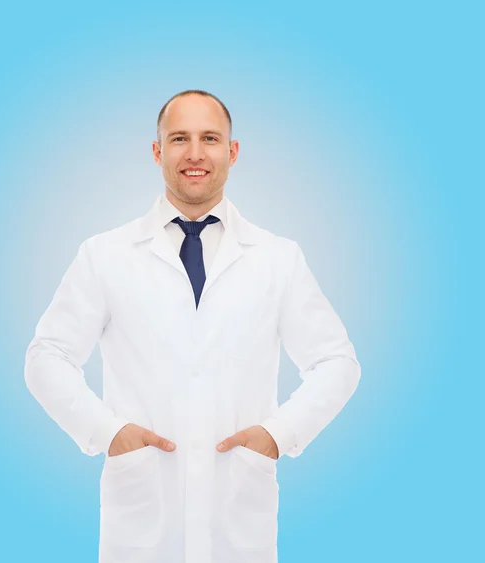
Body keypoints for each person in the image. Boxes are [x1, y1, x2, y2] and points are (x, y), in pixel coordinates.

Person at [24, 89, 361, 563]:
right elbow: (47, 357)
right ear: (158, 151)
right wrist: (106, 430)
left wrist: (279, 434)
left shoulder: (278, 259)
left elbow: (336, 363)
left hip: (239, 522)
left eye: (210, 138)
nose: (196, 153)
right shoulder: (105, 255)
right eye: (179, 138)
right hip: (141, 523)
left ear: (233, 151)